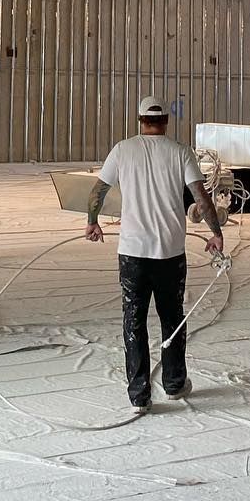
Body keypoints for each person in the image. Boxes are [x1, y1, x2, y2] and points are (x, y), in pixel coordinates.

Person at [86, 95, 224, 415]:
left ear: (139, 120)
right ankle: (174, 384)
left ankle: (139, 395)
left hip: (132, 253)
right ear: (165, 121)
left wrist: (92, 222)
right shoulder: (180, 152)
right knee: (172, 318)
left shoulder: (123, 150)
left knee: (133, 320)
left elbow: (98, 191)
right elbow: (201, 199)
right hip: (170, 252)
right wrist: (216, 233)